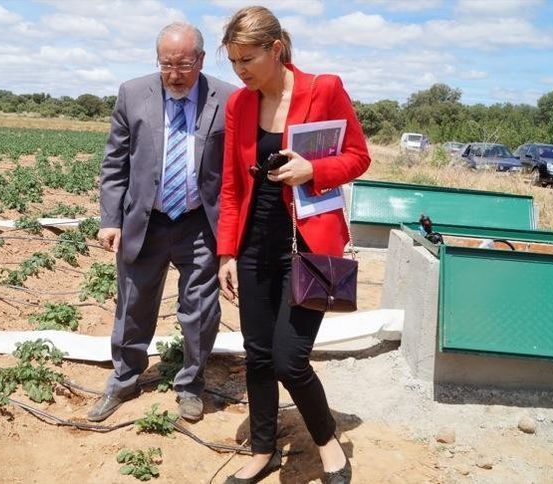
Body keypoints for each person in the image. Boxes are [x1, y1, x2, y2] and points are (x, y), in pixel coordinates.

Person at [217, 6, 370, 484]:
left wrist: (314, 170)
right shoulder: (239, 104)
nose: (240, 71)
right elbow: (229, 186)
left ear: (275, 49)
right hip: (255, 245)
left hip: (308, 246)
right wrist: (227, 252)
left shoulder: (322, 89)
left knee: (289, 357)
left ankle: (328, 444)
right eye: (234, 62)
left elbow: (358, 156)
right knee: (257, 352)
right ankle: (263, 449)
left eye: (248, 59)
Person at [89, 22, 236, 423]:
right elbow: (115, 162)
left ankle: (191, 385)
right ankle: (125, 377)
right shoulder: (133, 93)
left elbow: (235, 173)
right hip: (146, 220)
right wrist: (110, 219)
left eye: (183, 65)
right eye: (165, 64)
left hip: (199, 224)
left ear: (201, 60)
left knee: (200, 310)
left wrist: (232, 237)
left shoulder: (228, 98)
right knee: (133, 304)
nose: (173, 74)